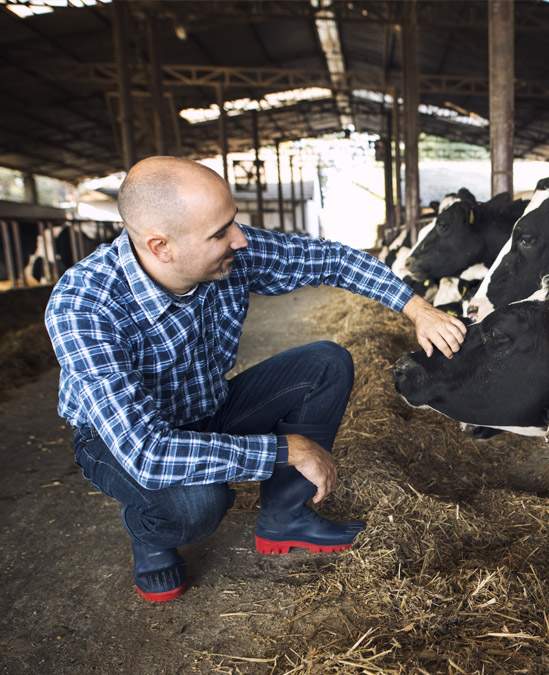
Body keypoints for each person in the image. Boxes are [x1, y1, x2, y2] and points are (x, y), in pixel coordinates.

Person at [45, 156, 466, 602]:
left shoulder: (234, 253)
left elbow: (332, 260)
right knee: (197, 504)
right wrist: (287, 449)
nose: (240, 239)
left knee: (325, 363)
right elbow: (148, 453)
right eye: (220, 232)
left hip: (208, 405)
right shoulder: (84, 305)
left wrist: (417, 308)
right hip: (118, 443)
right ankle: (150, 533)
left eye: (233, 223)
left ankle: (285, 518)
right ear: (161, 246)